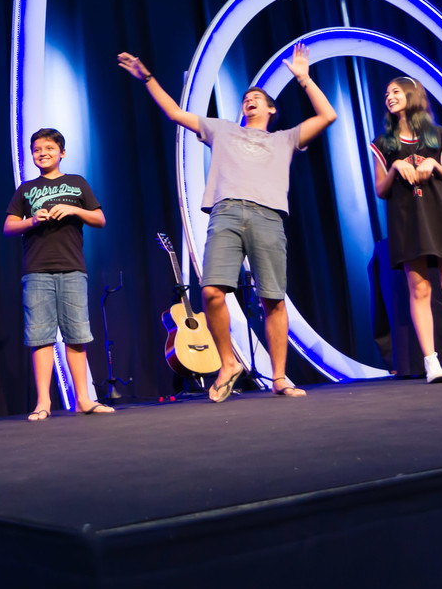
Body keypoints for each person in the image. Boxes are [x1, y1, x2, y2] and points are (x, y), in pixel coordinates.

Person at [118, 44, 336, 402]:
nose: (250, 100)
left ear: (271, 109)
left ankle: (279, 377)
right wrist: (148, 78)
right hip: (226, 212)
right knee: (210, 292)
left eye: (257, 98)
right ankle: (228, 363)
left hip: (268, 216)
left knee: (273, 298)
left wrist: (304, 78)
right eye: (246, 98)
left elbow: (327, 116)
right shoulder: (221, 129)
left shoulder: (284, 139)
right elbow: (174, 113)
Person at [368, 76, 442, 383]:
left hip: (440, 215)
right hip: (407, 220)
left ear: (412, 94)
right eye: (386, 93)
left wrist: (435, 166)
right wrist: (395, 167)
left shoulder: (439, 136)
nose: (389, 97)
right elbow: (380, 189)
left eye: (395, 91)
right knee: (419, 288)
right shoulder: (383, 143)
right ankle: (432, 362)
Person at [4, 128, 114, 420]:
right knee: (41, 337)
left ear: (62, 152)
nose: (43, 153)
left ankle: (83, 399)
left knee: (76, 335)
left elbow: (100, 219)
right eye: (37, 149)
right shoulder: (26, 189)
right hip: (37, 270)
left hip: (73, 268)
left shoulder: (77, 183)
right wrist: (31, 221)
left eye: (49, 148)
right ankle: (43, 402)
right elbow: (9, 227)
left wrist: (73, 209)